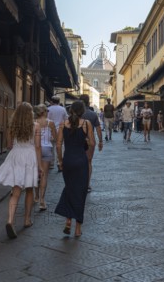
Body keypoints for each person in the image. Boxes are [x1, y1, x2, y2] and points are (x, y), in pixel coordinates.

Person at [0, 102, 42, 239]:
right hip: (30, 156)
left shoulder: (12, 127)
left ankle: (10, 220)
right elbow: (38, 147)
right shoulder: (36, 126)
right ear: (30, 113)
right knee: (30, 189)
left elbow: (8, 145)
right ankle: (26, 220)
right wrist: (40, 166)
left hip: (16, 155)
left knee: (16, 191)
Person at [55, 100, 95, 237]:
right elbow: (92, 143)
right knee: (81, 193)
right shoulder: (86, 124)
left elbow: (59, 145)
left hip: (68, 161)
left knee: (70, 189)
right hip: (81, 161)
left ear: (71, 110)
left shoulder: (62, 124)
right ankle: (78, 228)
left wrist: (60, 160)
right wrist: (88, 152)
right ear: (82, 111)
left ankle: (68, 221)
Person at [33, 104, 57, 210]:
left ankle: (36, 196)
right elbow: (55, 137)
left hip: (34, 149)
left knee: (35, 173)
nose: (48, 111)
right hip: (47, 148)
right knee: (44, 175)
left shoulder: (33, 123)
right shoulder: (50, 123)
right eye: (47, 110)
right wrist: (51, 137)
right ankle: (42, 200)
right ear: (43, 112)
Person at [80, 94, 102, 192]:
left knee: (78, 161)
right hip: (90, 140)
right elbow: (98, 129)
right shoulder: (93, 114)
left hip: (77, 140)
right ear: (88, 101)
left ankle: (78, 182)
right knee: (88, 162)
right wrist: (100, 141)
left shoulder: (76, 113)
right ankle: (87, 184)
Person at [47, 96, 68, 172]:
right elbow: (66, 119)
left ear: (51, 101)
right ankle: (59, 163)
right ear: (59, 101)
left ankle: (51, 164)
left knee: (51, 147)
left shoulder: (48, 109)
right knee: (60, 147)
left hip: (50, 130)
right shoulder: (63, 109)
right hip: (60, 130)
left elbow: (47, 120)